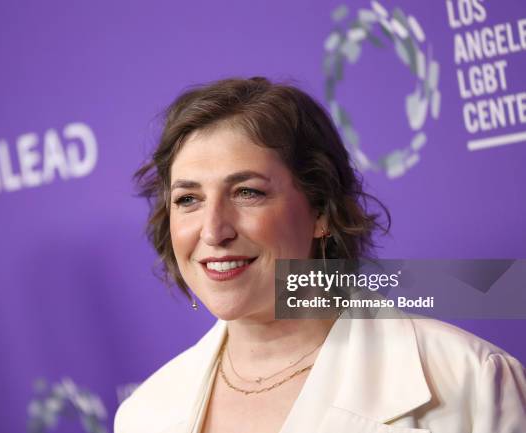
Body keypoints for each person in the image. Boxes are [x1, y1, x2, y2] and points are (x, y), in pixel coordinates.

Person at [115, 77, 526, 433]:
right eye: (188, 199)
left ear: (320, 209)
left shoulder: (471, 380)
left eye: (247, 192)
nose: (213, 230)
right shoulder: (143, 415)